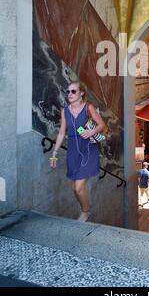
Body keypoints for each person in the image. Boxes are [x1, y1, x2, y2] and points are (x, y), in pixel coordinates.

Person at [49, 81, 106, 222]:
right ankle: (84, 208)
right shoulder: (65, 111)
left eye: (73, 91)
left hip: (88, 149)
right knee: (74, 188)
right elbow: (62, 133)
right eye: (68, 91)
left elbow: (102, 125)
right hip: (73, 151)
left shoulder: (88, 107)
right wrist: (54, 153)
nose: (70, 94)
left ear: (81, 93)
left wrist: (91, 131)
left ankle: (85, 212)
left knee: (79, 188)